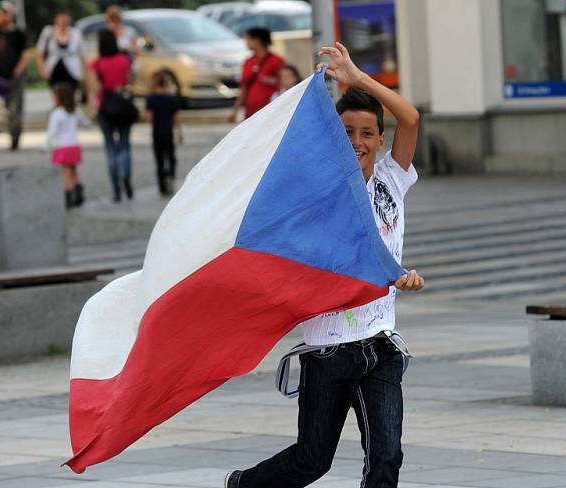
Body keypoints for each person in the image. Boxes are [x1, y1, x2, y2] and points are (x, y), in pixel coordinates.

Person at [225, 42, 425, 488]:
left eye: (368, 133)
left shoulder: (392, 180)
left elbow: (410, 118)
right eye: (347, 132)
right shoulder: (315, 193)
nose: (358, 142)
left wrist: (357, 80)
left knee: (386, 458)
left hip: (381, 347)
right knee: (312, 461)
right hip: (329, 350)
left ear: (379, 140)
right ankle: (243, 485)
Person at [88, 29, 134, 202]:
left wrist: (91, 108)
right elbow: (130, 83)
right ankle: (127, 178)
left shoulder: (97, 64)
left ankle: (116, 190)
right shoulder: (125, 60)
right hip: (123, 107)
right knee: (125, 146)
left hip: (105, 109)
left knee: (110, 150)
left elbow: (96, 89)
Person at [0, 0, 32, 150]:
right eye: (2, 13)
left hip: (16, 75)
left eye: (6, 13)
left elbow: (27, 53)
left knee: (16, 108)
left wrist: (19, 69)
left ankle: (15, 138)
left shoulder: (18, 33)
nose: (4, 16)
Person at [228, 27, 284, 122]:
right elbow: (244, 88)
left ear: (257, 40)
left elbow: (283, 85)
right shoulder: (248, 62)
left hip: (270, 111)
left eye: (248, 39)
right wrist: (235, 110)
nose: (246, 42)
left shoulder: (277, 61)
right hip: (250, 112)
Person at [47, 83, 89, 209]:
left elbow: (51, 132)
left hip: (62, 146)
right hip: (74, 145)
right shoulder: (75, 111)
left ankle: (67, 196)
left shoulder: (57, 113)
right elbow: (86, 123)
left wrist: (46, 145)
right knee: (73, 170)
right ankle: (79, 192)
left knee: (65, 173)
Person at [144, 71, 183, 196]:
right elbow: (176, 117)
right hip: (168, 133)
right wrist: (180, 132)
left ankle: (162, 186)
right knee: (171, 158)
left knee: (159, 160)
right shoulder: (171, 98)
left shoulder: (151, 98)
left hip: (156, 133)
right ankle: (170, 175)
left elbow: (147, 117)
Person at [36, 12, 85, 98]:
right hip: (54, 69)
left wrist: (83, 72)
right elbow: (40, 52)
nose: (63, 21)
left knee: (70, 95)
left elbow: (82, 54)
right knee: (57, 95)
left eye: (65, 19)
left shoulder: (75, 33)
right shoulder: (48, 32)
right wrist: (42, 69)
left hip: (72, 71)